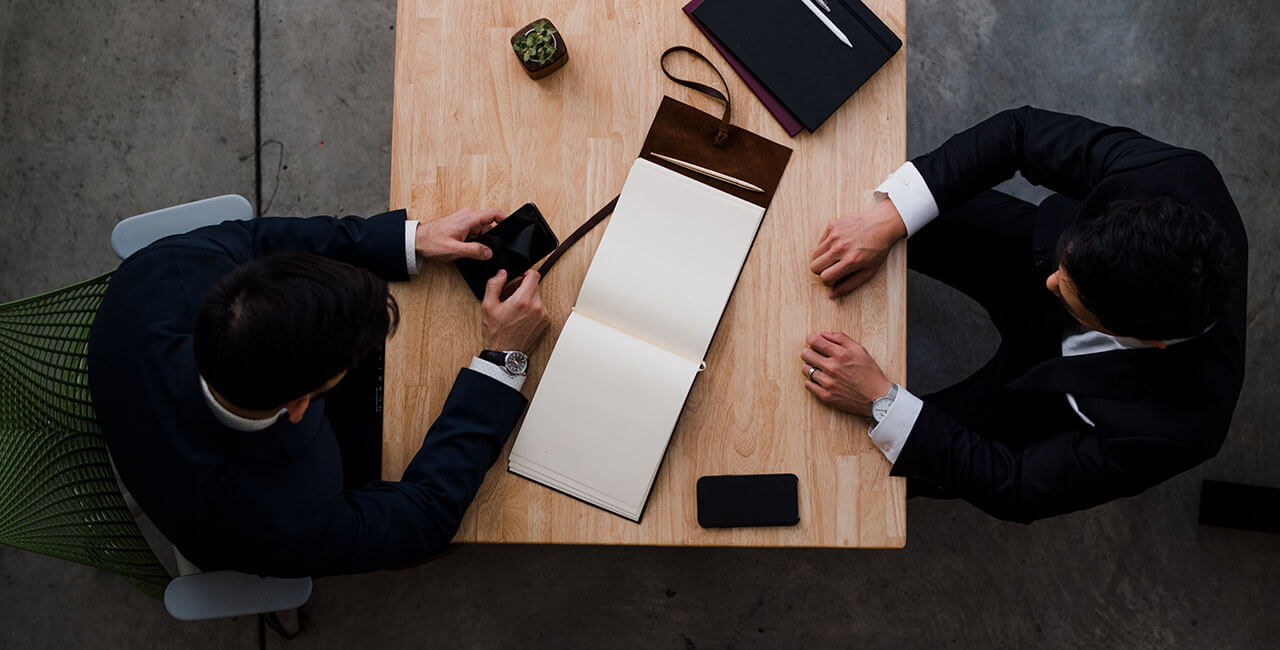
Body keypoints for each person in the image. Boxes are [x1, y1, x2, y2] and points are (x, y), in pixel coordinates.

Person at [803, 106, 1247, 523]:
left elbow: (1016, 487)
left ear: (1151, 342)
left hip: (1053, 397)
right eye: (1065, 270)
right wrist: (887, 223)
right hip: (1030, 250)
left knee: (855, 459)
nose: (1051, 284)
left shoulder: (1184, 428)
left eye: (1069, 292)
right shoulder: (1173, 174)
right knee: (864, 207)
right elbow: (1019, 134)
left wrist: (881, 401)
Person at [89, 206, 549, 576]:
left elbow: (255, 240)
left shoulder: (159, 271)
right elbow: (422, 519)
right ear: (301, 404)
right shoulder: (284, 519)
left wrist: (410, 239)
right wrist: (501, 360)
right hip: (238, 495)